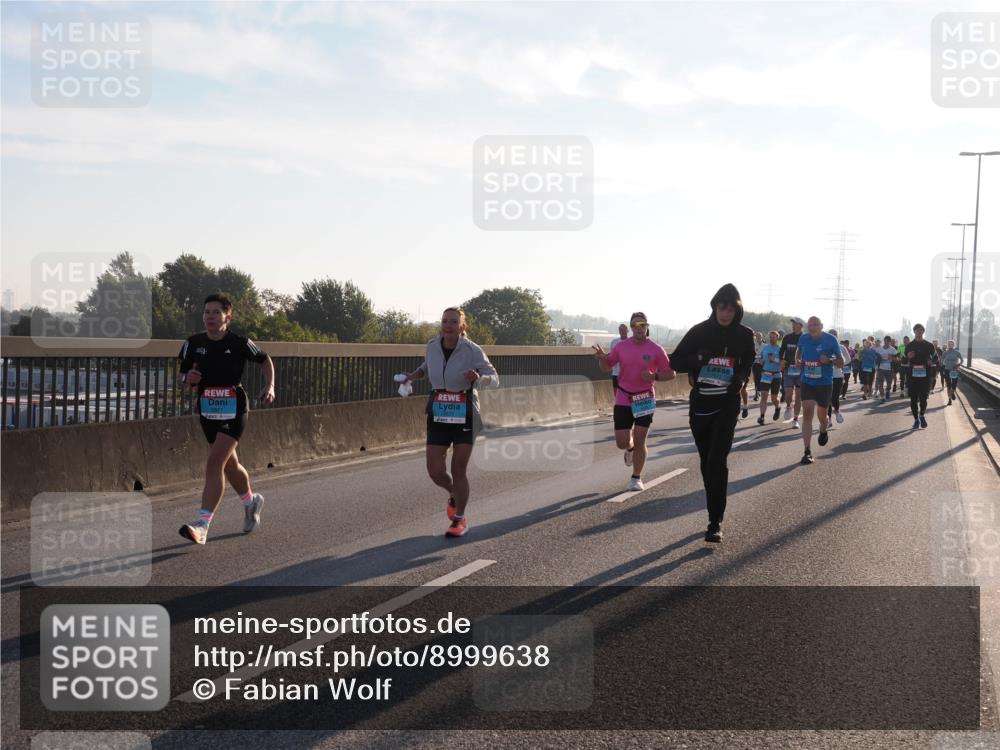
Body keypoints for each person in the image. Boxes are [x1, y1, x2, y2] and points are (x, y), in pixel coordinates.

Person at [178, 294, 275, 545]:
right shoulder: (193, 343)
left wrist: (270, 385)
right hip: (208, 409)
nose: (209, 317)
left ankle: (202, 525)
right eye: (206, 312)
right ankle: (251, 502)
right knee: (230, 465)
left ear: (227, 317)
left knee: (214, 463)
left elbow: (264, 359)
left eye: (216, 312)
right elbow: (183, 375)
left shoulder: (239, 342)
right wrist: (188, 378)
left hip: (234, 407)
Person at [400, 306, 499, 537]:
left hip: (465, 413)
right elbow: (427, 367)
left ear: (462, 326)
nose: (448, 325)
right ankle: (455, 493)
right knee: (435, 471)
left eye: (454, 322)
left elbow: (494, 379)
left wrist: (479, 378)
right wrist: (413, 375)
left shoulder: (472, 350)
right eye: (445, 321)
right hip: (439, 412)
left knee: (458, 468)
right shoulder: (432, 346)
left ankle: (459, 519)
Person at [668, 284, 755, 543]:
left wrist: (741, 378)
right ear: (715, 307)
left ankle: (715, 521)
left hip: (727, 404)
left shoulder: (744, 334)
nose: (725, 313)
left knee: (717, 461)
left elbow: (748, 360)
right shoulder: (700, 331)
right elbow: (675, 361)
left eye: (730, 309)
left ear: (737, 311)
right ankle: (713, 507)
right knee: (707, 463)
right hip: (701, 404)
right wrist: (698, 359)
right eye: (721, 307)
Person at [593, 312, 674, 491]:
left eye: (642, 325)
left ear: (647, 327)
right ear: (631, 328)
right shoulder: (622, 347)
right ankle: (629, 449)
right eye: (635, 325)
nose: (638, 328)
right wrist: (602, 359)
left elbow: (671, 373)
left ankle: (636, 477)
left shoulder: (656, 349)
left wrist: (654, 376)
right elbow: (606, 368)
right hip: (623, 396)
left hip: (645, 398)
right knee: (622, 442)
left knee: (640, 438)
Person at [795, 316, 843, 464]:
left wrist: (829, 360)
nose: (812, 327)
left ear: (821, 326)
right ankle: (807, 451)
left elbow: (841, 362)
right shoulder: (803, 338)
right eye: (810, 325)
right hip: (807, 381)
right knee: (807, 413)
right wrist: (797, 360)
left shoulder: (831, 340)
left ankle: (823, 429)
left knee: (822, 417)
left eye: (815, 324)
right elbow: (798, 351)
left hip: (824, 383)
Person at [904, 323, 936, 429]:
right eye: (917, 330)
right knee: (913, 399)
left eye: (921, 330)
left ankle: (921, 415)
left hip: (925, 376)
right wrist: (908, 357)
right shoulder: (909, 345)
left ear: (923, 332)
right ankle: (916, 420)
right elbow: (903, 360)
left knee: (923, 398)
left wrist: (932, 361)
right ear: (914, 331)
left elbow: (936, 358)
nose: (919, 331)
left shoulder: (929, 345)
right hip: (912, 376)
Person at [780, 317, 805, 428]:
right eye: (792, 324)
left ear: (801, 325)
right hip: (788, 369)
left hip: (801, 370)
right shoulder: (787, 337)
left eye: (795, 323)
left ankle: (795, 419)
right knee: (789, 394)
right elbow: (781, 352)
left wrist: (803, 362)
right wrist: (781, 360)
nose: (793, 325)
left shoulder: (805, 338)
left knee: (798, 396)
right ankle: (788, 405)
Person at [756, 330, 783, 426]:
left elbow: (783, 363)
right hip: (766, 374)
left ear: (777, 338)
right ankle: (762, 417)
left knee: (774, 398)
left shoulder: (780, 349)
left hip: (776, 375)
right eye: (770, 337)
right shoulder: (765, 348)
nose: (771, 339)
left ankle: (778, 407)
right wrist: (761, 361)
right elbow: (761, 358)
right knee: (764, 396)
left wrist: (774, 359)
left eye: (773, 337)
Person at [874, 336, 897, 401]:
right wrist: (877, 359)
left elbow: (897, 359)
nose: (886, 342)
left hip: (889, 369)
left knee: (889, 384)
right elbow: (875, 358)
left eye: (887, 341)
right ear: (884, 341)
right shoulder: (879, 349)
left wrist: (892, 357)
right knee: (880, 383)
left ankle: (887, 391)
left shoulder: (893, 349)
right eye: (885, 341)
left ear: (890, 342)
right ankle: (882, 397)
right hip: (880, 369)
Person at [942, 340, 964, 405]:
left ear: (953, 345)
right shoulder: (945, 353)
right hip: (947, 370)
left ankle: (952, 392)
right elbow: (942, 361)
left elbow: (962, 360)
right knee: (948, 385)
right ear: (947, 345)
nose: (950, 345)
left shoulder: (957, 352)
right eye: (949, 344)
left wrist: (958, 365)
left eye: (951, 344)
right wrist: (945, 365)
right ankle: (949, 400)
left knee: (954, 384)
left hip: (954, 370)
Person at [609, 323, 628, 393]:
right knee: (616, 395)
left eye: (624, 330)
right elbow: (611, 356)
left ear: (627, 331)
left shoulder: (631, 342)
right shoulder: (614, 342)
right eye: (621, 330)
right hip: (615, 373)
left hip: (627, 374)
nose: (622, 331)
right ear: (619, 331)